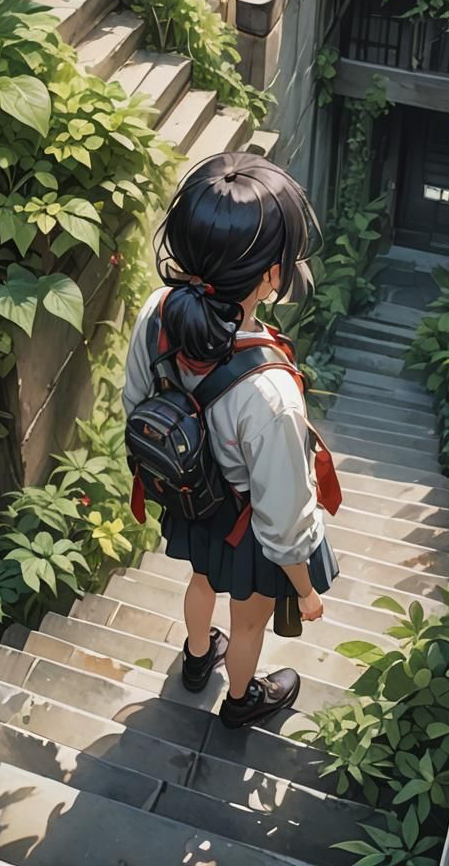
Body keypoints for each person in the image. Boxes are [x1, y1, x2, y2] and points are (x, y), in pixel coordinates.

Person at [122, 151, 341, 729]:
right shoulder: (270, 392)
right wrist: (307, 591)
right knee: (249, 622)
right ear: (270, 276)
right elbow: (284, 520)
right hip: (244, 527)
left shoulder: (158, 310)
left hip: (189, 497)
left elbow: (134, 400)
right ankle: (241, 700)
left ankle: (198, 657)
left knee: (200, 578)